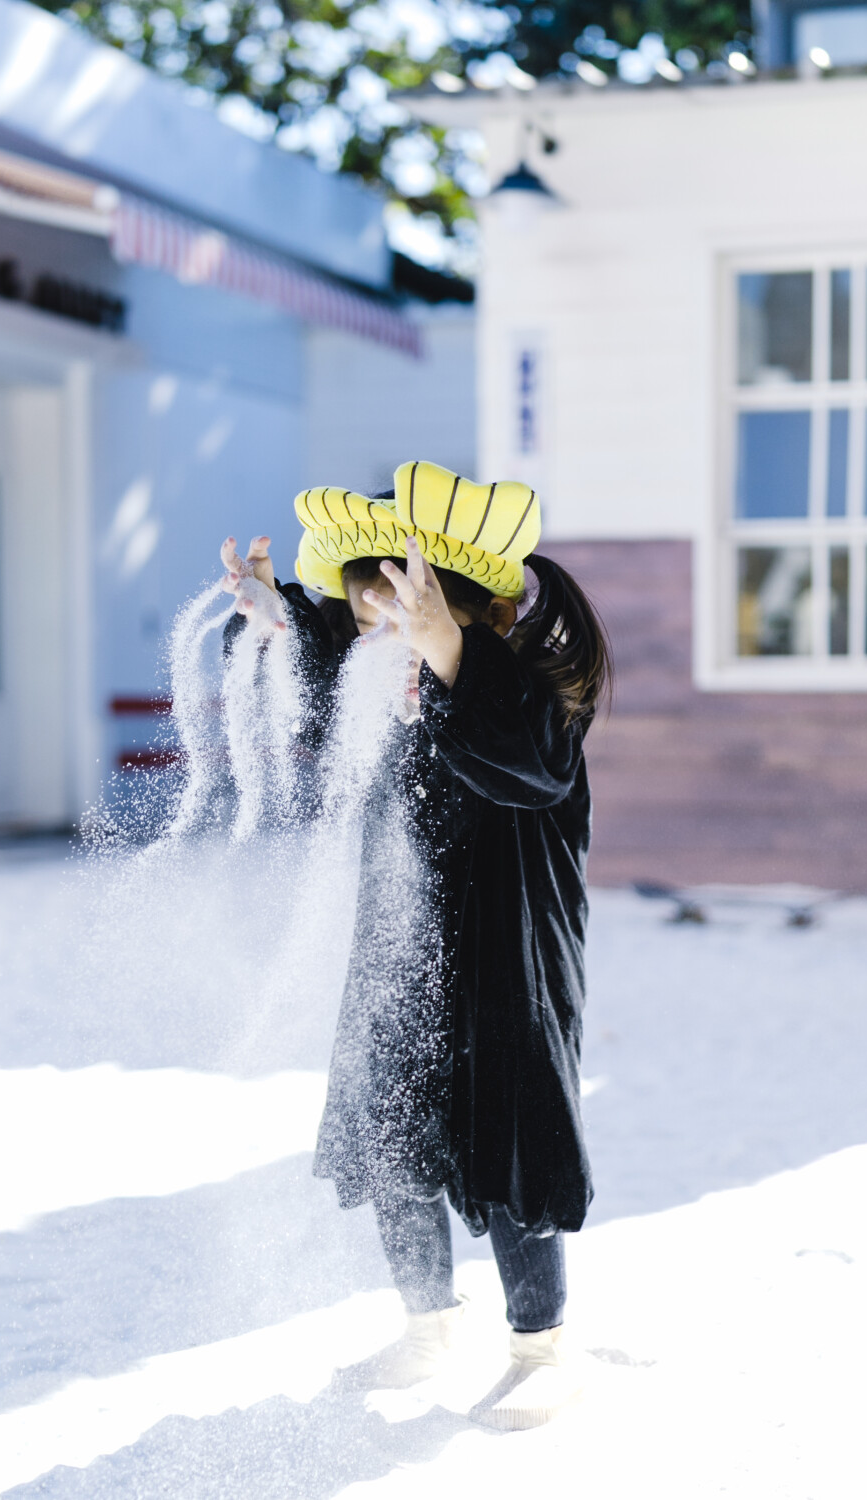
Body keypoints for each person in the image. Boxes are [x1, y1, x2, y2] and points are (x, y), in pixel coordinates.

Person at [220, 461, 611, 1430]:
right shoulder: (381, 686)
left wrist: (449, 655)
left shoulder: (532, 695)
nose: (385, 629)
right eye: (370, 613)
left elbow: (529, 773)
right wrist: (276, 617)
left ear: (476, 612)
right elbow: (322, 675)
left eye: (413, 610)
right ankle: (426, 1321)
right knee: (392, 1130)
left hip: (507, 961)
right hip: (397, 949)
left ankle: (541, 1344)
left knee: (512, 1142)